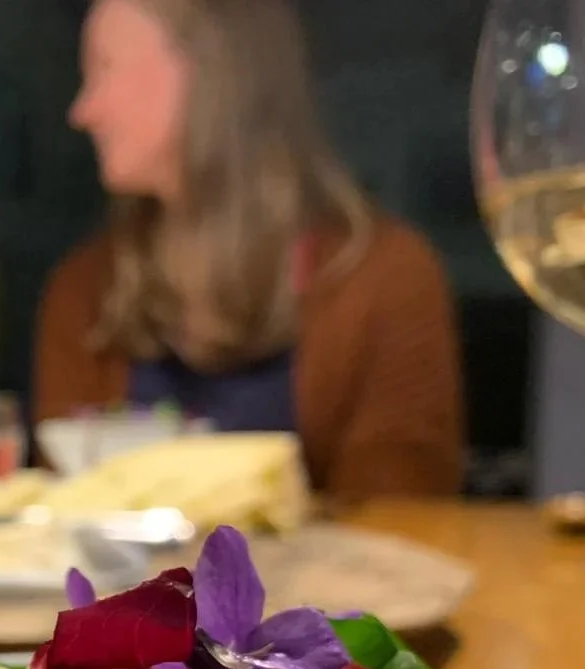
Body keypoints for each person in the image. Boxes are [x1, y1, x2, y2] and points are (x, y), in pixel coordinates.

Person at [34, 0, 465, 499]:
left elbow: (402, 528)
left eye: (104, 69)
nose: (82, 111)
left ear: (211, 70)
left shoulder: (387, 277)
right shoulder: (82, 291)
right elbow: (62, 531)